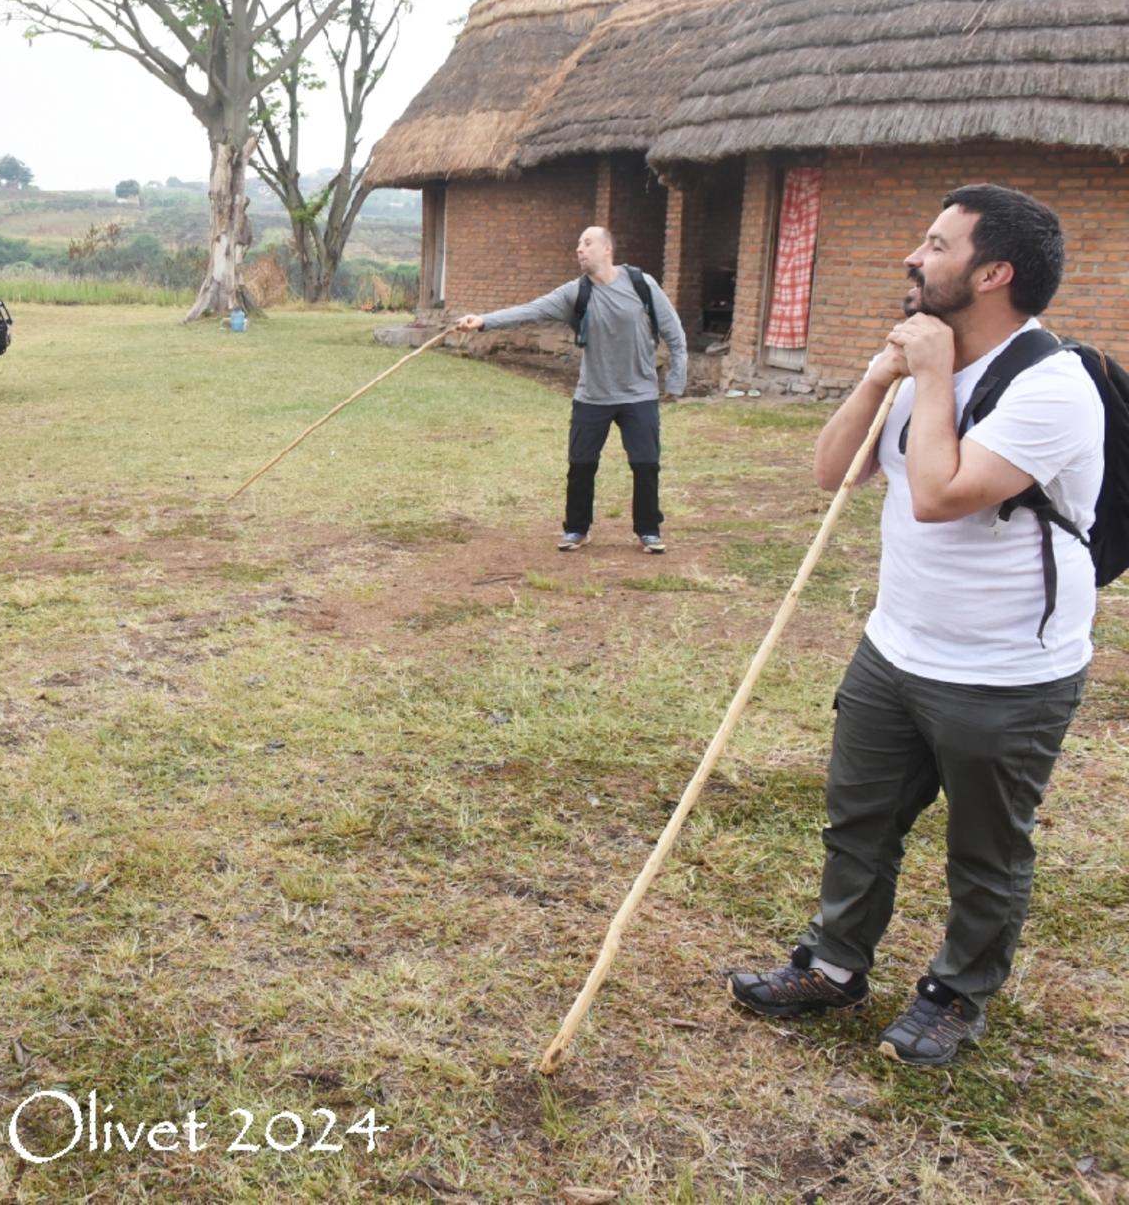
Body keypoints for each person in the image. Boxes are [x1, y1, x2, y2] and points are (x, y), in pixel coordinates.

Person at [727, 185, 1100, 1067]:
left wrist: (932, 375)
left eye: (936, 244)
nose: (913, 257)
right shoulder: (916, 365)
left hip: (1007, 671)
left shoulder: (1055, 387)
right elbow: (831, 472)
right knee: (859, 821)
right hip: (895, 648)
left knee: (985, 852)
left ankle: (956, 993)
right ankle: (833, 963)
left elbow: (938, 494)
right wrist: (879, 376)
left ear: (993, 272)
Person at [454, 226, 687, 552]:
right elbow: (530, 311)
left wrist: (676, 381)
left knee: (645, 463)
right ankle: (577, 529)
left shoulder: (641, 284)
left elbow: (674, 333)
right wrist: (484, 321)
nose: (579, 249)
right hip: (593, 394)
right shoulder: (574, 293)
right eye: (578, 243)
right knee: (581, 464)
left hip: (640, 393)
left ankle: (648, 530)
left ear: (607, 250)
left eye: (587, 243)